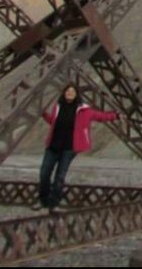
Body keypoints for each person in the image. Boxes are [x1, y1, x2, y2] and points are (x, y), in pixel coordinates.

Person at [35, 84, 118, 213]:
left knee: (60, 177)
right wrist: (44, 114)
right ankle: (43, 200)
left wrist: (115, 116)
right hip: (53, 145)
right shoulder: (58, 107)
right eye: (67, 91)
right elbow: (54, 122)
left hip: (69, 148)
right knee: (44, 173)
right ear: (64, 93)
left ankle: (54, 203)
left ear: (76, 95)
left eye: (72, 91)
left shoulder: (85, 111)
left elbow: (101, 116)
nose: (69, 93)